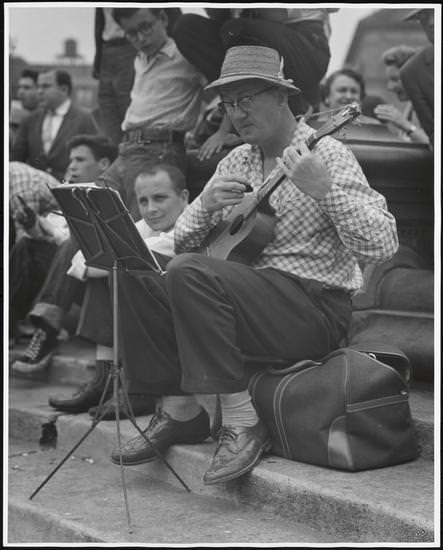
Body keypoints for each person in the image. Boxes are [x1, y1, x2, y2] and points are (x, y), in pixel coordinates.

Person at [110, 46, 399, 484]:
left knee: (189, 271)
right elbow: (186, 240)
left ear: (281, 96)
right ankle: (180, 409)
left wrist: (326, 192)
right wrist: (204, 205)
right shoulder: (237, 159)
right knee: (135, 269)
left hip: (314, 307)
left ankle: (242, 421)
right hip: (247, 301)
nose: (236, 113)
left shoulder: (329, 155)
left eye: (246, 99)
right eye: (228, 104)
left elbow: (383, 244)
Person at [47, 164, 189, 418]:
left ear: (184, 197)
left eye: (160, 198)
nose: (151, 209)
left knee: (119, 268)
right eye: (143, 201)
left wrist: (107, 261)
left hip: (183, 326)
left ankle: (140, 389)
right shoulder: (147, 227)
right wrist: (106, 260)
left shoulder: (190, 227)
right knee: (113, 266)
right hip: (147, 318)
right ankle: (105, 379)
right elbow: (81, 259)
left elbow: (132, 257)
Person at [12, 135, 117, 374]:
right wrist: (32, 225)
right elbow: (55, 235)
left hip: (98, 294)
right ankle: (13, 325)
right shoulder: (71, 195)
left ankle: (46, 333)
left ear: (103, 164)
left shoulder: (112, 197)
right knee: (27, 244)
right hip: (63, 291)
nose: (72, 166)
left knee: (71, 243)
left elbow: (82, 245)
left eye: (80, 159)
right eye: (71, 160)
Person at [173, 8, 337, 159]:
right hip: (243, 33)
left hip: (307, 45)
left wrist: (223, 132)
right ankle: (233, 104)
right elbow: (219, 17)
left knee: (238, 27)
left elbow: (276, 15)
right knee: (187, 26)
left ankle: (294, 104)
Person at [97, 8, 206, 220]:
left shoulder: (185, 55)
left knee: (139, 226)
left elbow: (223, 86)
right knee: (93, 209)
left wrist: (223, 131)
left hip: (158, 150)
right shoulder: (139, 59)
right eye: (131, 33)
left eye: (145, 27)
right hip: (127, 150)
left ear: (163, 19)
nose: (140, 38)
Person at [9, 162, 63, 341]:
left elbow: (25, 240)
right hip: (46, 239)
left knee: (23, 250)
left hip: (63, 247)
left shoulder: (19, 184)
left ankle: (14, 322)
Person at [12, 69, 98, 181]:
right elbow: (16, 160)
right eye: (38, 87)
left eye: (45, 86)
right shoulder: (29, 120)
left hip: (70, 191)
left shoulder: (86, 119)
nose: (39, 91)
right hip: (36, 192)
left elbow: (96, 159)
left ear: (64, 89)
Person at [92, 8, 136, 146]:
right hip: (107, 48)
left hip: (130, 44)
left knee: (127, 104)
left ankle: (133, 154)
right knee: (107, 103)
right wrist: (98, 58)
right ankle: (114, 156)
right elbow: (100, 21)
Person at [373, 45, 429, 144]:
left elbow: (435, 146)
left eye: (395, 79)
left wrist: (404, 124)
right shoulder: (412, 105)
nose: (389, 87)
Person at [400, 9, 434, 145]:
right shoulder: (413, 72)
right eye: (424, 17)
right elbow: (433, 135)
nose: (432, 22)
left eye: (437, 14)